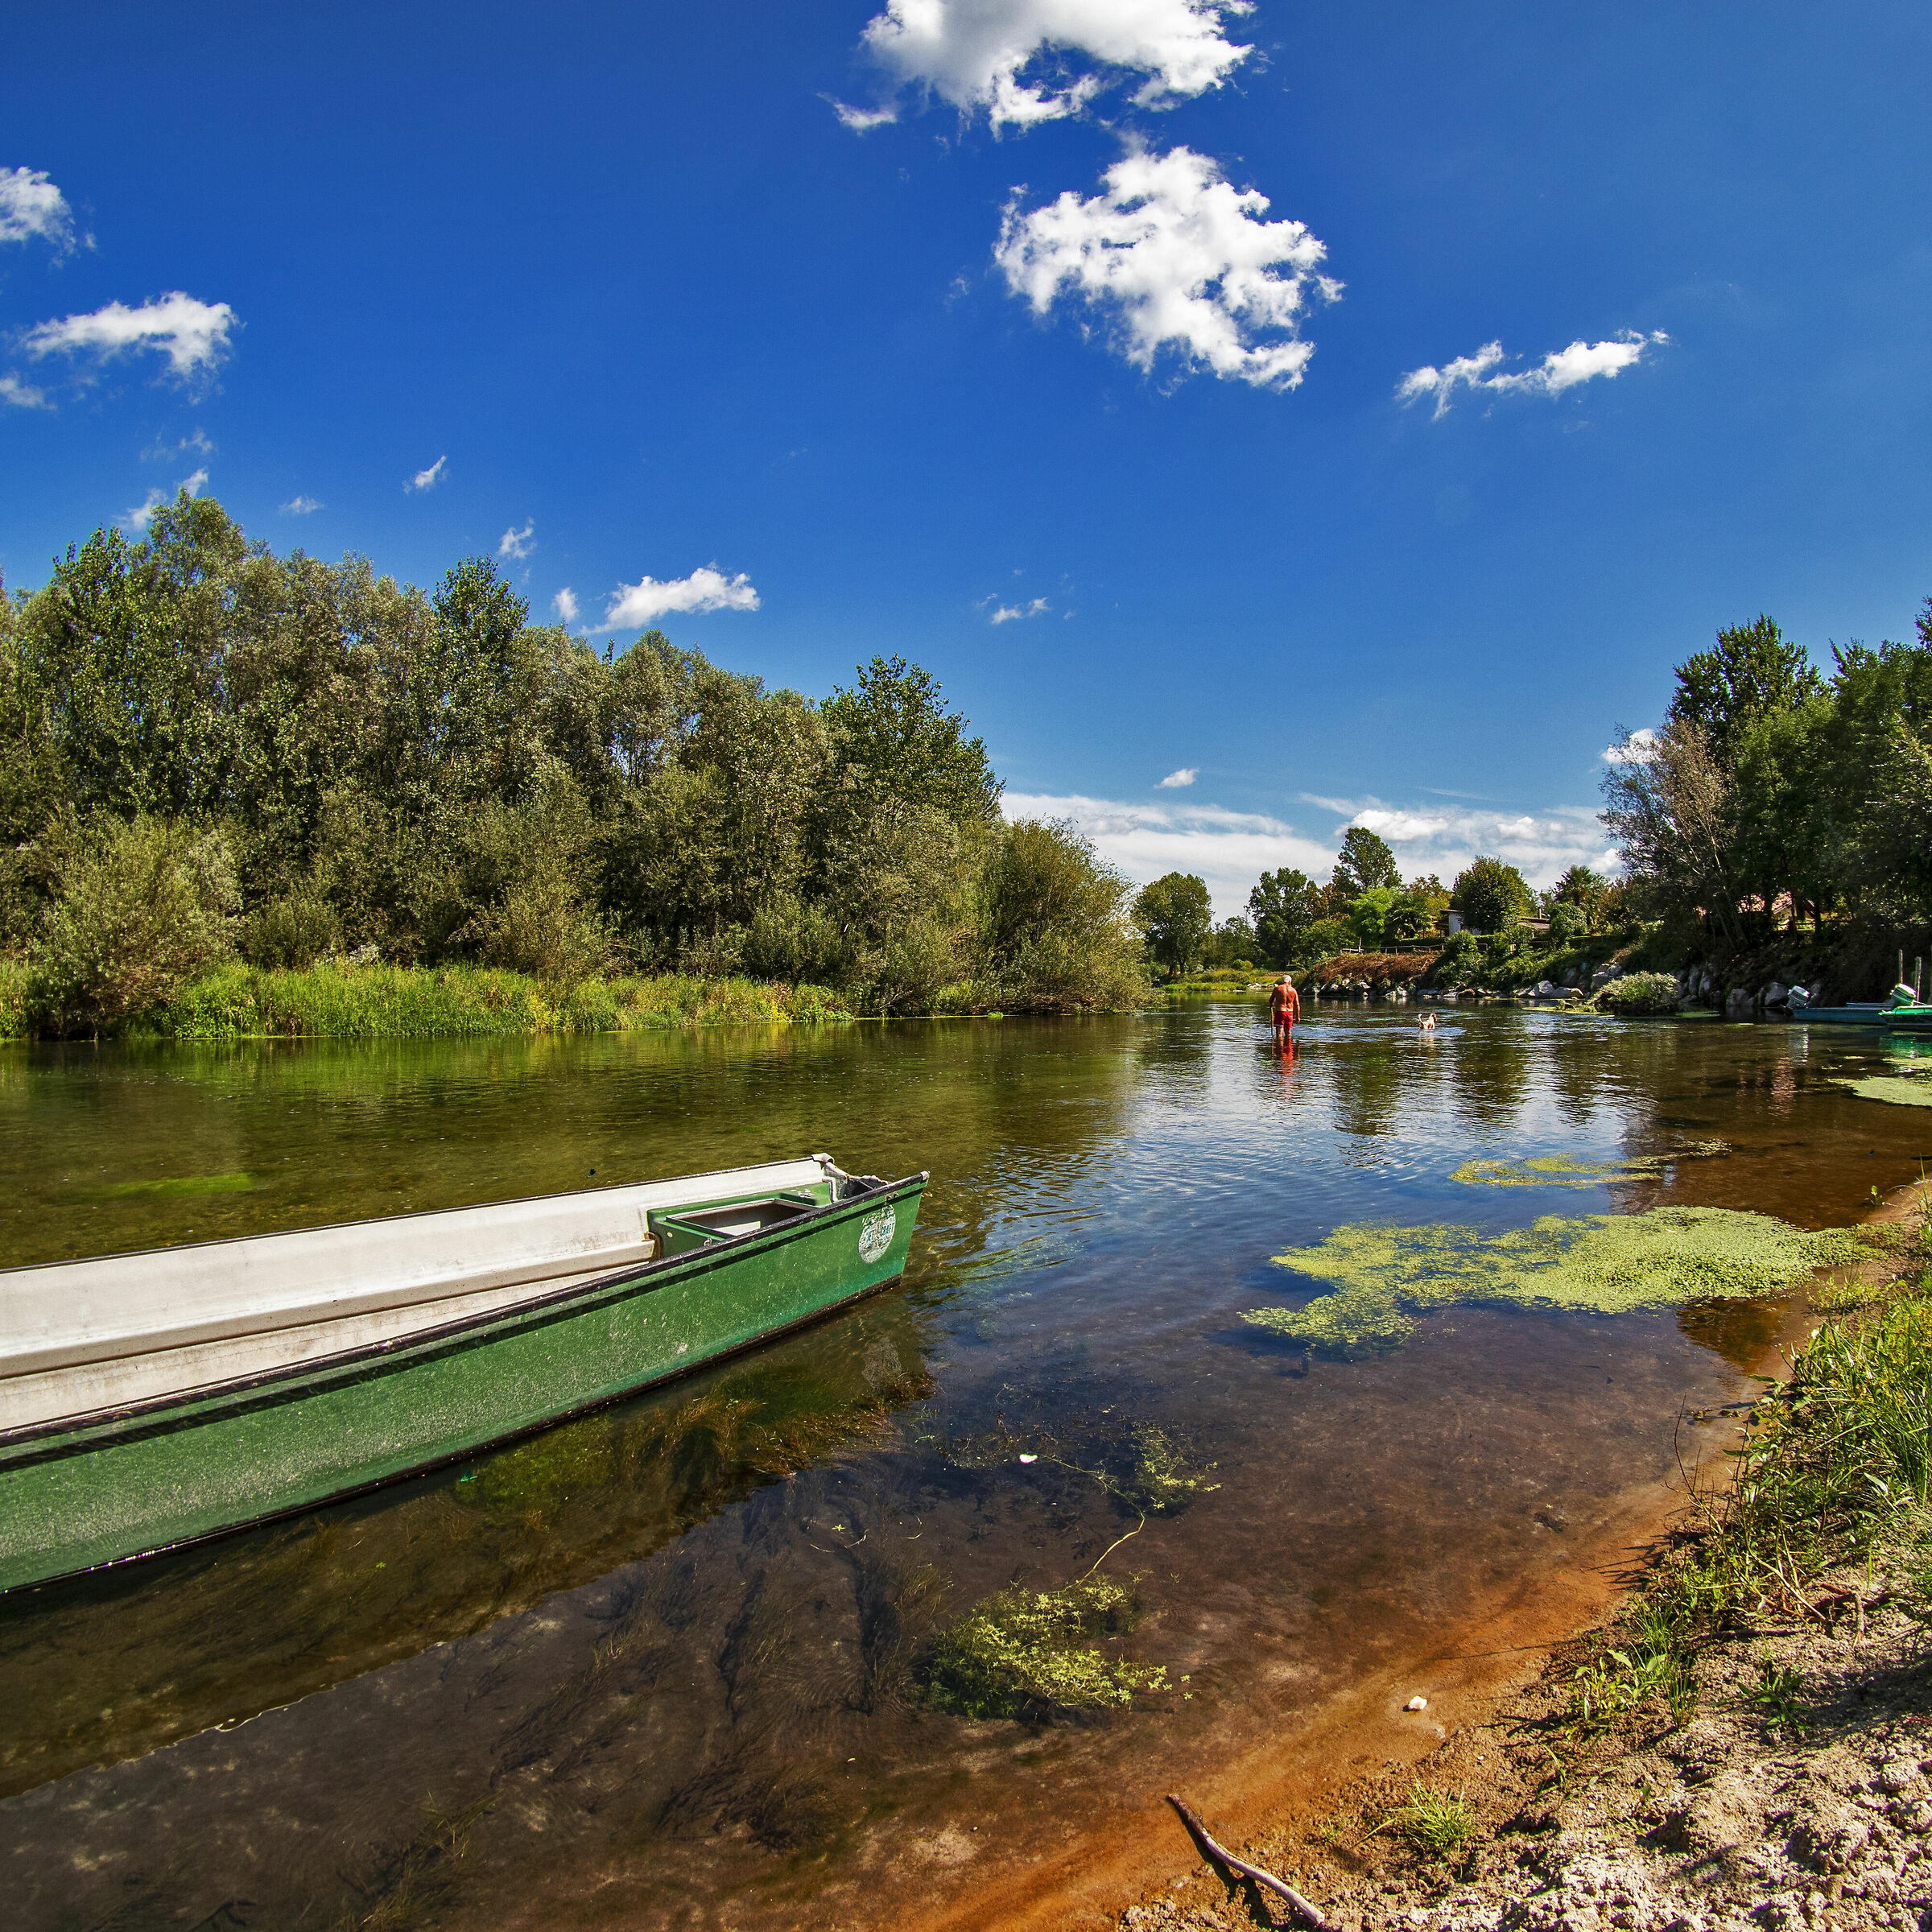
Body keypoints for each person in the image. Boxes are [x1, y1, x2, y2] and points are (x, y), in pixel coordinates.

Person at [1269, 973, 1300, 1046]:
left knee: (1279, 1034)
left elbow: (1271, 1000)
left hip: (1280, 1012)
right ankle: (1288, 1050)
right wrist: (1298, 1016)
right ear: (1289, 982)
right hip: (1290, 1013)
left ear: (1282, 981)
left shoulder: (1277, 989)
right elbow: (1297, 1004)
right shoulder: (1293, 990)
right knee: (1288, 1033)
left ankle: (1280, 1052)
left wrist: (1271, 1004)